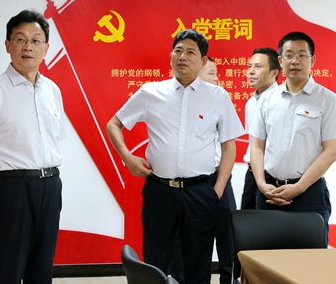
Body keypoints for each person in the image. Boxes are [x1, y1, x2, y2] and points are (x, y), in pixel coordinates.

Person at [106, 29, 245, 284]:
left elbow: (229, 146)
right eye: (178, 50)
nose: (183, 56)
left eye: (191, 52)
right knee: (156, 262)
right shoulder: (151, 92)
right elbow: (114, 124)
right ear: (171, 56)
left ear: (203, 61)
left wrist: (217, 191)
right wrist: (127, 157)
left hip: (201, 192)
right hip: (160, 192)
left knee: (198, 265)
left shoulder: (217, 96)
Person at [0, 10, 66, 284]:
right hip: (12, 189)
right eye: (20, 39)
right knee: (9, 271)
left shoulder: (53, 90)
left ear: (46, 47)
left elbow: (54, 141)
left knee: (42, 270)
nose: (28, 47)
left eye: (36, 40)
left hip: (50, 186)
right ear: (8, 45)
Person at [249, 32, 336, 244]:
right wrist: (261, 183)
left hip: (309, 193)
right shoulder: (266, 100)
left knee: (310, 259)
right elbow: (256, 146)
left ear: (312, 60)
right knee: (265, 257)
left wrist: (299, 187)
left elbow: (330, 152)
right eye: (289, 55)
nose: (295, 61)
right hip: (269, 192)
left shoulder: (328, 100)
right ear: (280, 61)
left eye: (302, 55)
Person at [198, 57, 236, 284]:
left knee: (227, 232)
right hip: (196, 181)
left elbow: (229, 145)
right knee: (195, 236)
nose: (216, 77)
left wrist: (220, 185)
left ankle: (227, 279)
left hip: (220, 175)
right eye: (211, 73)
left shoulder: (221, 98)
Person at [240, 48, 280, 210]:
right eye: (249, 66)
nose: (251, 71)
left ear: (274, 73)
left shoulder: (282, 101)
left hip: (273, 176)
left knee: (269, 222)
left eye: (258, 67)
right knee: (246, 220)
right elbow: (253, 142)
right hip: (252, 173)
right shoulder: (251, 102)